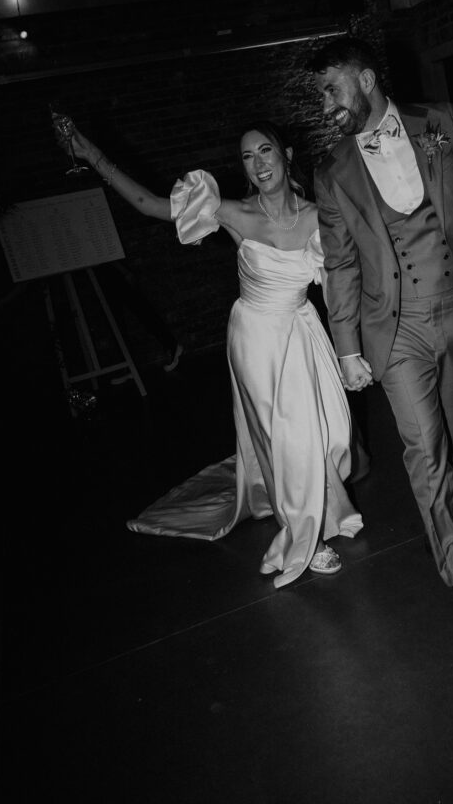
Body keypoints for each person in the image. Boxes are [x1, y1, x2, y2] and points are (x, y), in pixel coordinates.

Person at [61, 121, 363, 588]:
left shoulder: (318, 214)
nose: (259, 163)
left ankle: (316, 502)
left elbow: (346, 277)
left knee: (329, 432)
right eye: (247, 156)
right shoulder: (234, 212)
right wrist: (91, 155)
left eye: (265, 151)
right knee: (283, 437)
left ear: (285, 154)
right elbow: (149, 204)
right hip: (255, 337)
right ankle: (301, 535)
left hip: (303, 330)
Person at [308, 35, 453, 634]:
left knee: (452, 448)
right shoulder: (332, 172)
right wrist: (347, 348)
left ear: (365, 79)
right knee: (424, 451)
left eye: (331, 90)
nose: (326, 105)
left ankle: (445, 519)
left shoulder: (442, 121)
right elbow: (340, 264)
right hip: (394, 328)